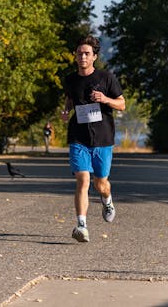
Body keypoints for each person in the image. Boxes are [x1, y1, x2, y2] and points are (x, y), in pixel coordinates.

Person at [60, 35, 125, 243]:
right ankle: (81, 225)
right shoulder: (70, 79)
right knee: (83, 179)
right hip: (78, 137)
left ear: (94, 56)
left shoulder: (106, 78)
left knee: (101, 183)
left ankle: (107, 200)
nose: (82, 57)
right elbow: (69, 98)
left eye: (87, 53)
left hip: (103, 138)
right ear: (75, 56)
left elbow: (122, 104)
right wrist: (65, 111)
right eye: (79, 53)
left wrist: (105, 99)